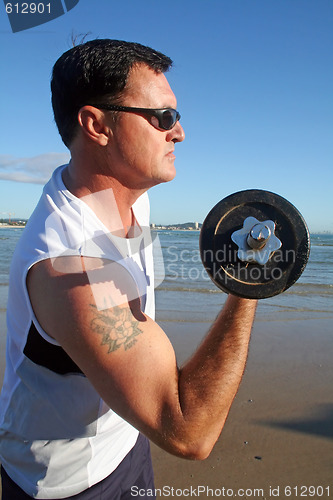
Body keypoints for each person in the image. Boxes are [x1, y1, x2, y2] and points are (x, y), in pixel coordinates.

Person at [0, 39, 257, 499]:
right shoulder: (73, 271)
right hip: (67, 482)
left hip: (126, 441)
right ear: (96, 125)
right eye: (162, 118)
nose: (178, 134)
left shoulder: (127, 194)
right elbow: (188, 430)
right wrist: (248, 286)